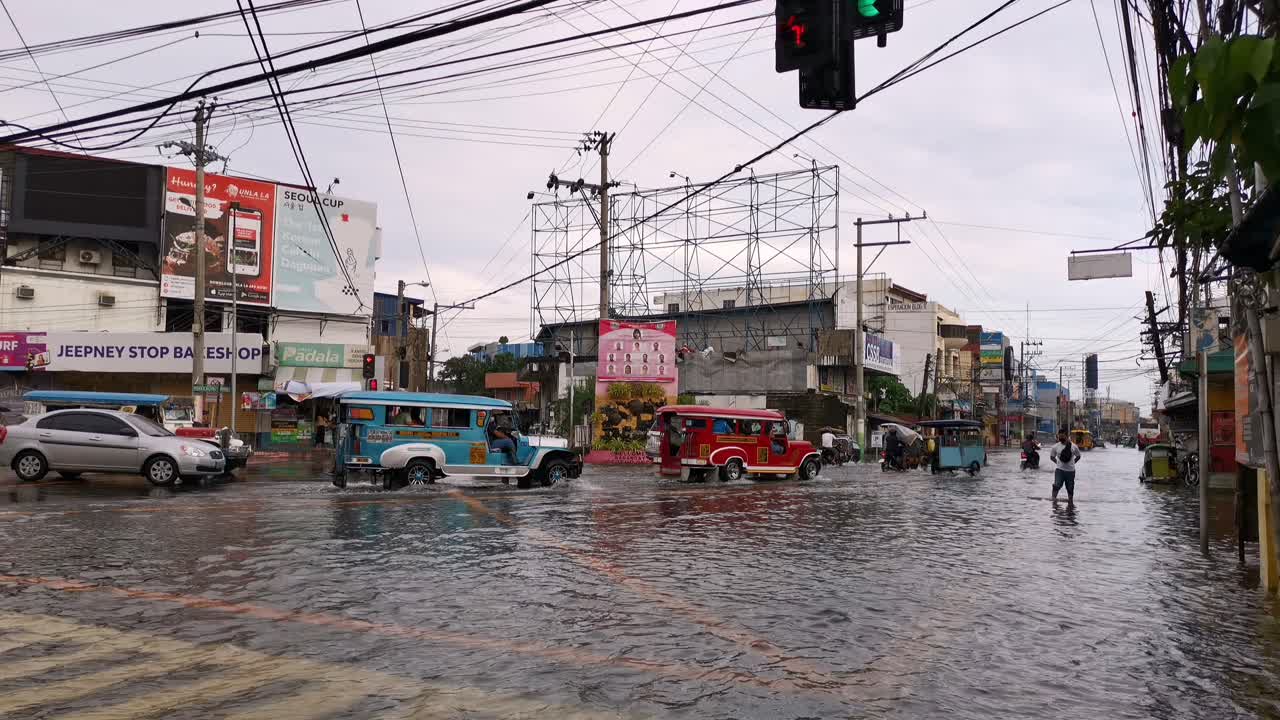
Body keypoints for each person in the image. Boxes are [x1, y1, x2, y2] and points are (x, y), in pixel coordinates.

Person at [1050, 431, 1082, 504]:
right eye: (1059, 436)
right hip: (1059, 470)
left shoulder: (1074, 446)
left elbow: (1078, 456)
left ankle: (1070, 502)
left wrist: (1073, 463)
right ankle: (1053, 500)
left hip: (1071, 471)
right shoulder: (1055, 446)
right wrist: (1057, 463)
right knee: (1057, 485)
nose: (1060, 438)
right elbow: (1052, 457)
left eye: (1062, 436)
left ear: (1067, 436)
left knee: (1070, 487)